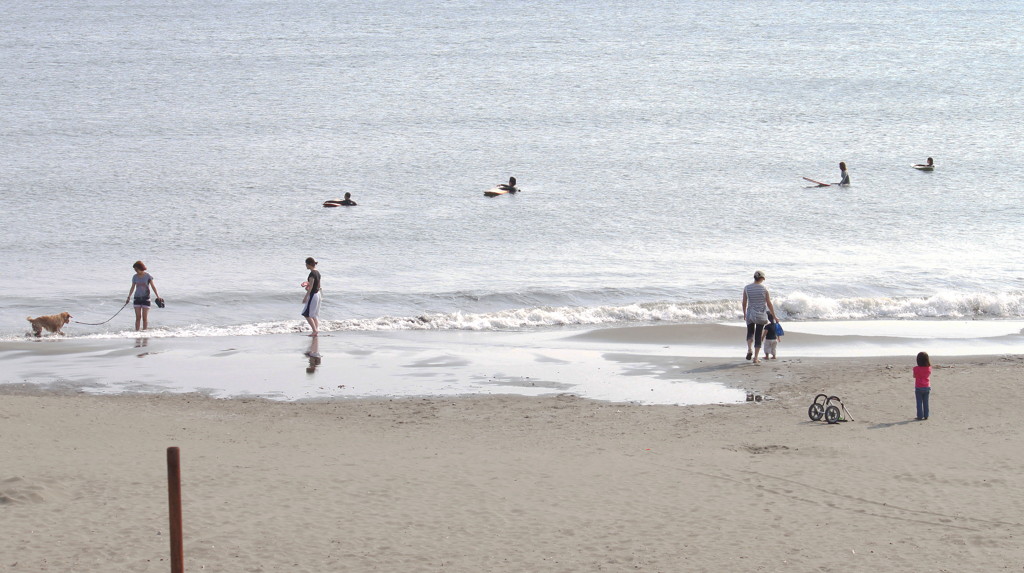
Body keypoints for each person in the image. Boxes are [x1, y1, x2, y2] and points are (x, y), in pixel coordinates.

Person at [741, 270, 777, 364]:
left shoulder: (747, 288)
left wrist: (744, 313)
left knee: (750, 332)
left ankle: (749, 349)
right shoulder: (764, 289)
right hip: (761, 314)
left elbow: (744, 302)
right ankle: (756, 358)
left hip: (750, 314)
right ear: (761, 278)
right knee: (758, 335)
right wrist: (774, 316)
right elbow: (769, 303)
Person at [126, 261, 162, 331]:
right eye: (135, 270)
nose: (136, 271)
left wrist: (158, 296)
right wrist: (128, 297)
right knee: (138, 318)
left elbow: (153, 287)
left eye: (136, 269)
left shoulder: (148, 276)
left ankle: (144, 333)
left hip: (146, 299)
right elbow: (132, 287)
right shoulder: (135, 277)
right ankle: (137, 332)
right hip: (137, 299)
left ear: (140, 268)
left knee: (144, 318)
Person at [301, 257, 322, 337]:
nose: (305, 266)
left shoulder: (312, 274)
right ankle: (316, 330)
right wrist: (308, 286)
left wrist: (305, 297)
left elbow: (311, 287)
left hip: (313, 295)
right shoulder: (318, 272)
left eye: (306, 264)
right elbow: (319, 286)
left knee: (306, 314)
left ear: (309, 264)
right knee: (314, 315)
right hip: (318, 294)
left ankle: (315, 330)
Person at [913, 351, 932, 420]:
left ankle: (920, 416)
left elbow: (914, 376)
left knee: (919, 402)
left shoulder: (916, 368)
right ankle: (926, 415)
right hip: (927, 386)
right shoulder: (929, 368)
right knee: (926, 402)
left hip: (918, 387)